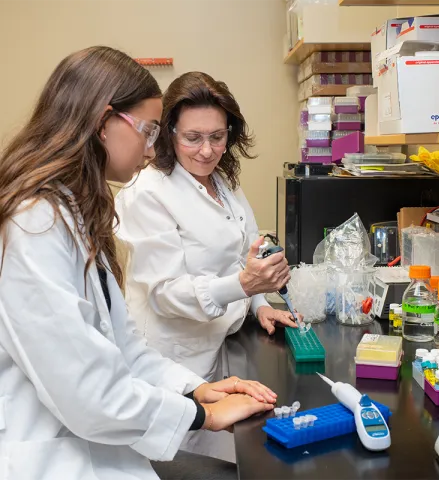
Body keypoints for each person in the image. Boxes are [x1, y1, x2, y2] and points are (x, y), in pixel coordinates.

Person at [0, 47, 277, 480]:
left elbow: (123, 347)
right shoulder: (35, 224)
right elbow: (88, 393)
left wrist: (197, 389)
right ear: (101, 122)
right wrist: (202, 414)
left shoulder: (75, 212)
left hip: (103, 438)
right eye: (148, 131)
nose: (152, 149)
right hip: (55, 456)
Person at [115, 72, 299, 387]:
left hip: (223, 345)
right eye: (193, 137)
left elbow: (244, 252)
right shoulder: (147, 192)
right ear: (168, 134)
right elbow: (166, 294)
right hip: (173, 362)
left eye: (217, 137)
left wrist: (260, 305)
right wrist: (245, 285)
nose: (207, 150)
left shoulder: (221, 180)